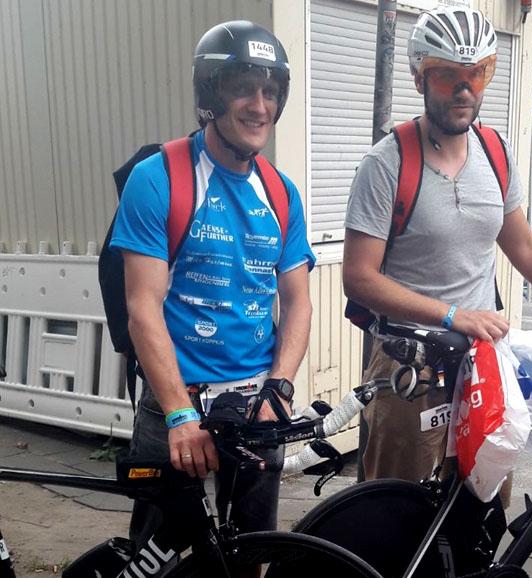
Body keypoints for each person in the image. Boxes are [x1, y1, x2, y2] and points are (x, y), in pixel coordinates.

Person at [342, 6, 532, 487]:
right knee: (396, 508)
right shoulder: (386, 164)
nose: (464, 89)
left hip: (482, 360)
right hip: (411, 366)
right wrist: (453, 315)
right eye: (447, 75)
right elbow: (359, 278)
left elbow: (524, 245)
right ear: (419, 77)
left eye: (476, 74)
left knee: (483, 500)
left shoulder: (495, 152)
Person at [109, 20, 315, 547]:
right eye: (243, 88)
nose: (259, 106)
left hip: (255, 405)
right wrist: (179, 414)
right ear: (210, 93)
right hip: (176, 403)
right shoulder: (159, 178)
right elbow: (142, 307)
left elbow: (297, 304)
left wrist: (280, 388)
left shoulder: (282, 194)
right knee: (160, 558)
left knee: (251, 552)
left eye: (270, 91)